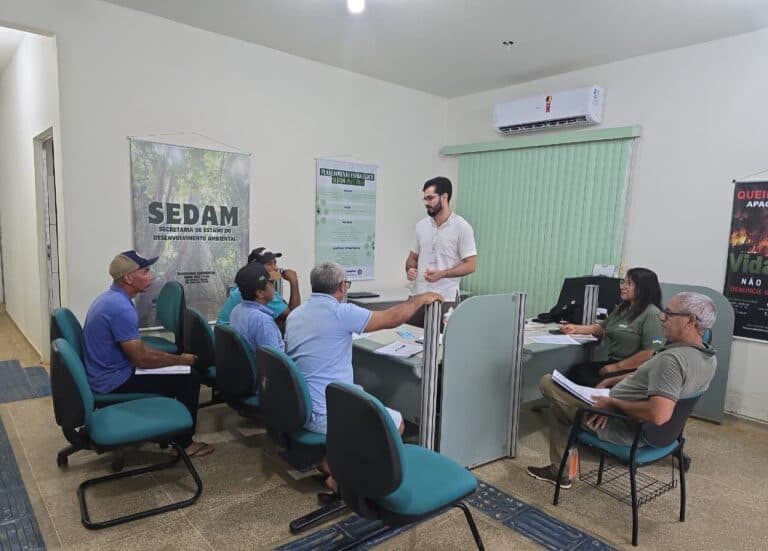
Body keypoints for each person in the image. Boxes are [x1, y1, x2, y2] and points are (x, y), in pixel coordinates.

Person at [527, 292, 717, 489]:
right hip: (660, 435)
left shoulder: (672, 361)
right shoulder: (706, 357)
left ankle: (561, 471)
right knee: (566, 400)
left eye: (669, 314)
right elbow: (653, 380)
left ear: (690, 321)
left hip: (621, 426)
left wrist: (612, 403)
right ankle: (563, 468)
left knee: (548, 383)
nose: (662, 318)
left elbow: (658, 414)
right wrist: (612, 380)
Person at [286, 261, 442, 491]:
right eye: (346, 285)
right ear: (341, 287)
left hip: (302, 406)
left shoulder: (295, 314)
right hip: (324, 413)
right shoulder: (341, 313)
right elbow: (392, 318)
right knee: (396, 424)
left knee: (363, 398)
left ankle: (333, 461)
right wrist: (419, 299)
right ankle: (352, 478)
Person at [82, 250, 214, 457]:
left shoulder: (111, 298)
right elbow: (141, 358)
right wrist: (179, 360)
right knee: (190, 377)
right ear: (128, 277)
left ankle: (167, 424)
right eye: (145, 271)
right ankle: (184, 444)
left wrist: (172, 361)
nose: (150, 275)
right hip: (114, 380)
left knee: (178, 371)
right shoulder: (121, 308)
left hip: (106, 372)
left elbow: (139, 348)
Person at [561, 267, 664, 388]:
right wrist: (575, 328)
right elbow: (602, 328)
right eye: (623, 282)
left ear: (644, 288)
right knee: (575, 372)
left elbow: (650, 353)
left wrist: (615, 367)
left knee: (582, 378)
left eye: (629, 283)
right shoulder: (623, 308)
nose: (622, 286)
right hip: (614, 362)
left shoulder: (652, 314)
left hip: (632, 369)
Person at [404, 176, 477, 327]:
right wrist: (410, 269)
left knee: (440, 344)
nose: (426, 203)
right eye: (424, 199)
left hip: (445, 300)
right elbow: (412, 258)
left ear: (444, 197)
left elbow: (471, 265)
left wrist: (443, 274)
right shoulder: (421, 226)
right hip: (417, 297)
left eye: (430, 198)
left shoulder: (462, 227)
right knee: (410, 340)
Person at [229, 262, 284, 392]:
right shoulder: (262, 321)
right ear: (260, 293)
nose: (273, 287)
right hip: (264, 385)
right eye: (270, 283)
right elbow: (275, 365)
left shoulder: (237, 310)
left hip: (244, 375)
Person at [217, 247, 300, 332]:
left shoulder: (248, 283)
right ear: (256, 268)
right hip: (235, 341)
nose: (275, 268)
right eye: (269, 264)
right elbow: (294, 316)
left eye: (275, 263)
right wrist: (294, 282)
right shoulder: (260, 290)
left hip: (227, 337)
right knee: (284, 322)